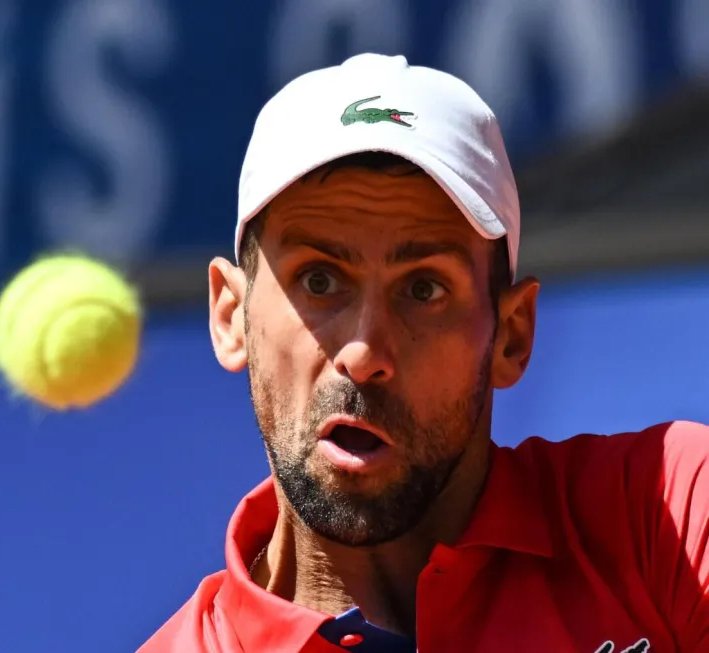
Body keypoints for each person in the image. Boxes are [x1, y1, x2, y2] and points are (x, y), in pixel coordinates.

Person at [139, 53, 709, 653]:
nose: (363, 353)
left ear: (511, 335)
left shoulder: (671, 511)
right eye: (319, 281)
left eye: (423, 289)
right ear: (231, 316)